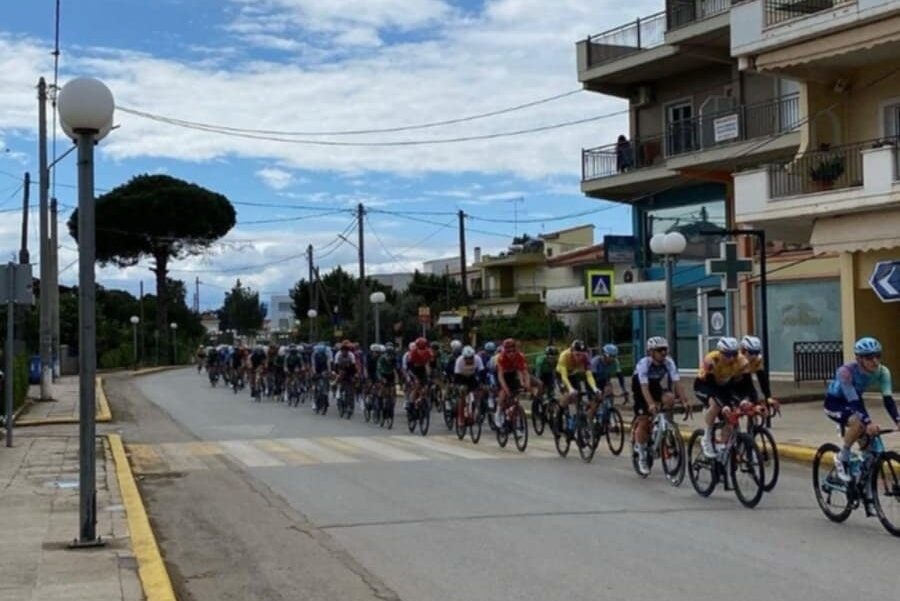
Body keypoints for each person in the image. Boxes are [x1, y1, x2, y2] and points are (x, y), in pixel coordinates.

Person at [824, 337, 898, 482]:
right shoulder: (845, 372)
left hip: (856, 402)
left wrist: (898, 419)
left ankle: (862, 483)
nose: (875, 361)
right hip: (835, 403)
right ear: (858, 359)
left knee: (871, 445)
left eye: (878, 356)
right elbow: (853, 401)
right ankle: (842, 457)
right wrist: (868, 422)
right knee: (859, 424)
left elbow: (888, 400)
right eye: (869, 357)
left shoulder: (883, 372)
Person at [632, 336, 689, 475]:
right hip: (640, 387)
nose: (663, 353)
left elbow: (677, 382)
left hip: (654, 385)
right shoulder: (644, 363)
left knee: (669, 398)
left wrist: (684, 400)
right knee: (644, 421)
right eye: (659, 350)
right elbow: (644, 387)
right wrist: (651, 404)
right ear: (651, 352)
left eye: (665, 349)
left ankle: (662, 427)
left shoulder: (668, 362)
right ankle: (642, 457)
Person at [695, 337, 749, 458]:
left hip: (724, 386)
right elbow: (712, 388)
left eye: (734, 354)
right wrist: (724, 405)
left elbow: (745, 385)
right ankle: (706, 438)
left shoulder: (741, 361)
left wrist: (744, 400)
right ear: (720, 352)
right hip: (705, 385)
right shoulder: (711, 360)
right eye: (728, 355)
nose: (731, 358)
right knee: (716, 405)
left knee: (730, 417)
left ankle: (723, 446)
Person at [556, 340, 599, 429]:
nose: (580, 358)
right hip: (561, 374)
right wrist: (570, 389)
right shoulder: (564, 356)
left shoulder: (586, 357)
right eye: (577, 355)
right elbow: (564, 377)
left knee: (578, 397)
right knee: (568, 395)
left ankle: (577, 419)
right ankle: (558, 417)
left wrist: (594, 388)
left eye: (582, 355)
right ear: (572, 351)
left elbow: (589, 375)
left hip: (573, 374)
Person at [733, 335, 779, 414]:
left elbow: (762, 380)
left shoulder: (757, 360)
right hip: (730, 382)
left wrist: (768, 397)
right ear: (743, 350)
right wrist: (755, 401)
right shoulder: (739, 358)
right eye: (751, 352)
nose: (754, 356)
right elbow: (748, 383)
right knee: (746, 397)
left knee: (752, 396)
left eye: (757, 352)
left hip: (742, 380)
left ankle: (752, 415)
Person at [495, 338, 532, 427]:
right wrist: (506, 389)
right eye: (508, 352)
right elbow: (501, 377)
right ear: (505, 351)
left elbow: (525, 372)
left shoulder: (520, 356)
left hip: (512, 373)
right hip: (501, 374)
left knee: (516, 392)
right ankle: (498, 411)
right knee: (504, 392)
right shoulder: (501, 358)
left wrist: (527, 384)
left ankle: (513, 413)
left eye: (513, 351)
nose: (511, 354)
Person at [454, 345, 486, 425]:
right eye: (467, 358)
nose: (469, 360)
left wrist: (482, 383)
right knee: (462, 394)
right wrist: (459, 386)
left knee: (478, 392)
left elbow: (482, 372)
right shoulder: (459, 360)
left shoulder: (477, 359)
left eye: (471, 358)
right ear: (463, 357)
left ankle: (476, 410)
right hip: (461, 377)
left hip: (472, 376)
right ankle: (460, 417)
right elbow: (457, 376)